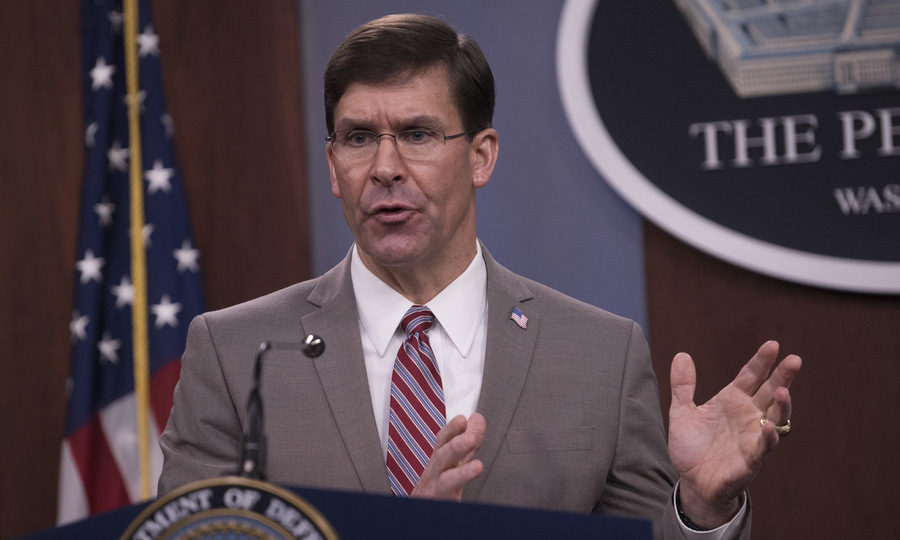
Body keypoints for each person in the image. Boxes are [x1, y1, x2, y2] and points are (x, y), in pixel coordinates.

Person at [159, 14, 801, 539]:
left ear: (481, 156)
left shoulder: (599, 357)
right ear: (333, 166)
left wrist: (701, 509)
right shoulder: (236, 355)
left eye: (417, 134)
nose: (384, 167)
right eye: (358, 138)